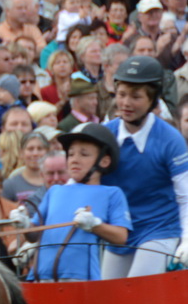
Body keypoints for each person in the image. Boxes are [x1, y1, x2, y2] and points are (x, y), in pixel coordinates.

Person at [97, 55, 188, 278]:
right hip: (120, 231)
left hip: (159, 228)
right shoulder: (104, 133)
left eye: (136, 97)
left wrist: (186, 239)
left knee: (137, 288)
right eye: (121, 95)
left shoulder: (170, 139)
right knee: (109, 296)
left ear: (153, 101)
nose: (126, 103)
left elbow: (184, 196)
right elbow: (81, 177)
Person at [21, 124, 132, 281]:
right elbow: (33, 235)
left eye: (84, 154)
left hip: (81, 279)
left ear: (104, 161)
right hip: (41, 275)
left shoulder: (112, 193)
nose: (74, 160)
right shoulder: (54, 191)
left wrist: (95, 225)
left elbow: (121, 237)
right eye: (71, 154)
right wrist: (24, 224)